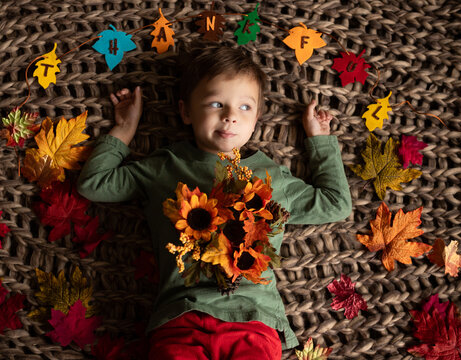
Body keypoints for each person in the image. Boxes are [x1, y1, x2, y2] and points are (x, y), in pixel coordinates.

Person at [77, 45, 352, 359]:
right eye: (216, 103)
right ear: (185, 112)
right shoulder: (165, 166)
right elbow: (94, 184)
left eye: (245, 107)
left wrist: (319, 140)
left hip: (254, 321)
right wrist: (125, 128)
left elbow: (335, 203)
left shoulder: (272, 177)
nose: (231, 116)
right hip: (181, 320)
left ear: (258, 118)